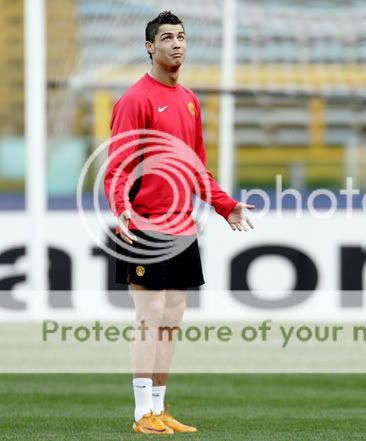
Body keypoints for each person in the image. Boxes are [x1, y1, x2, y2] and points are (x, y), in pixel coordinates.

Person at [103, 10, 254, 435]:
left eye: (182, 37)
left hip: (183, 227)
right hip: (145, 226)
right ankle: (140, 415)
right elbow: (116, 168)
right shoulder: (135, 100)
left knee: (172, 316)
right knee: (149, 317)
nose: (177, 44)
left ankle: (158, 407)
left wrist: (226, 207)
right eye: (167, 37)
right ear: (149, 47)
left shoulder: (189, 100)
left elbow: (196, 169)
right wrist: (123, 209)